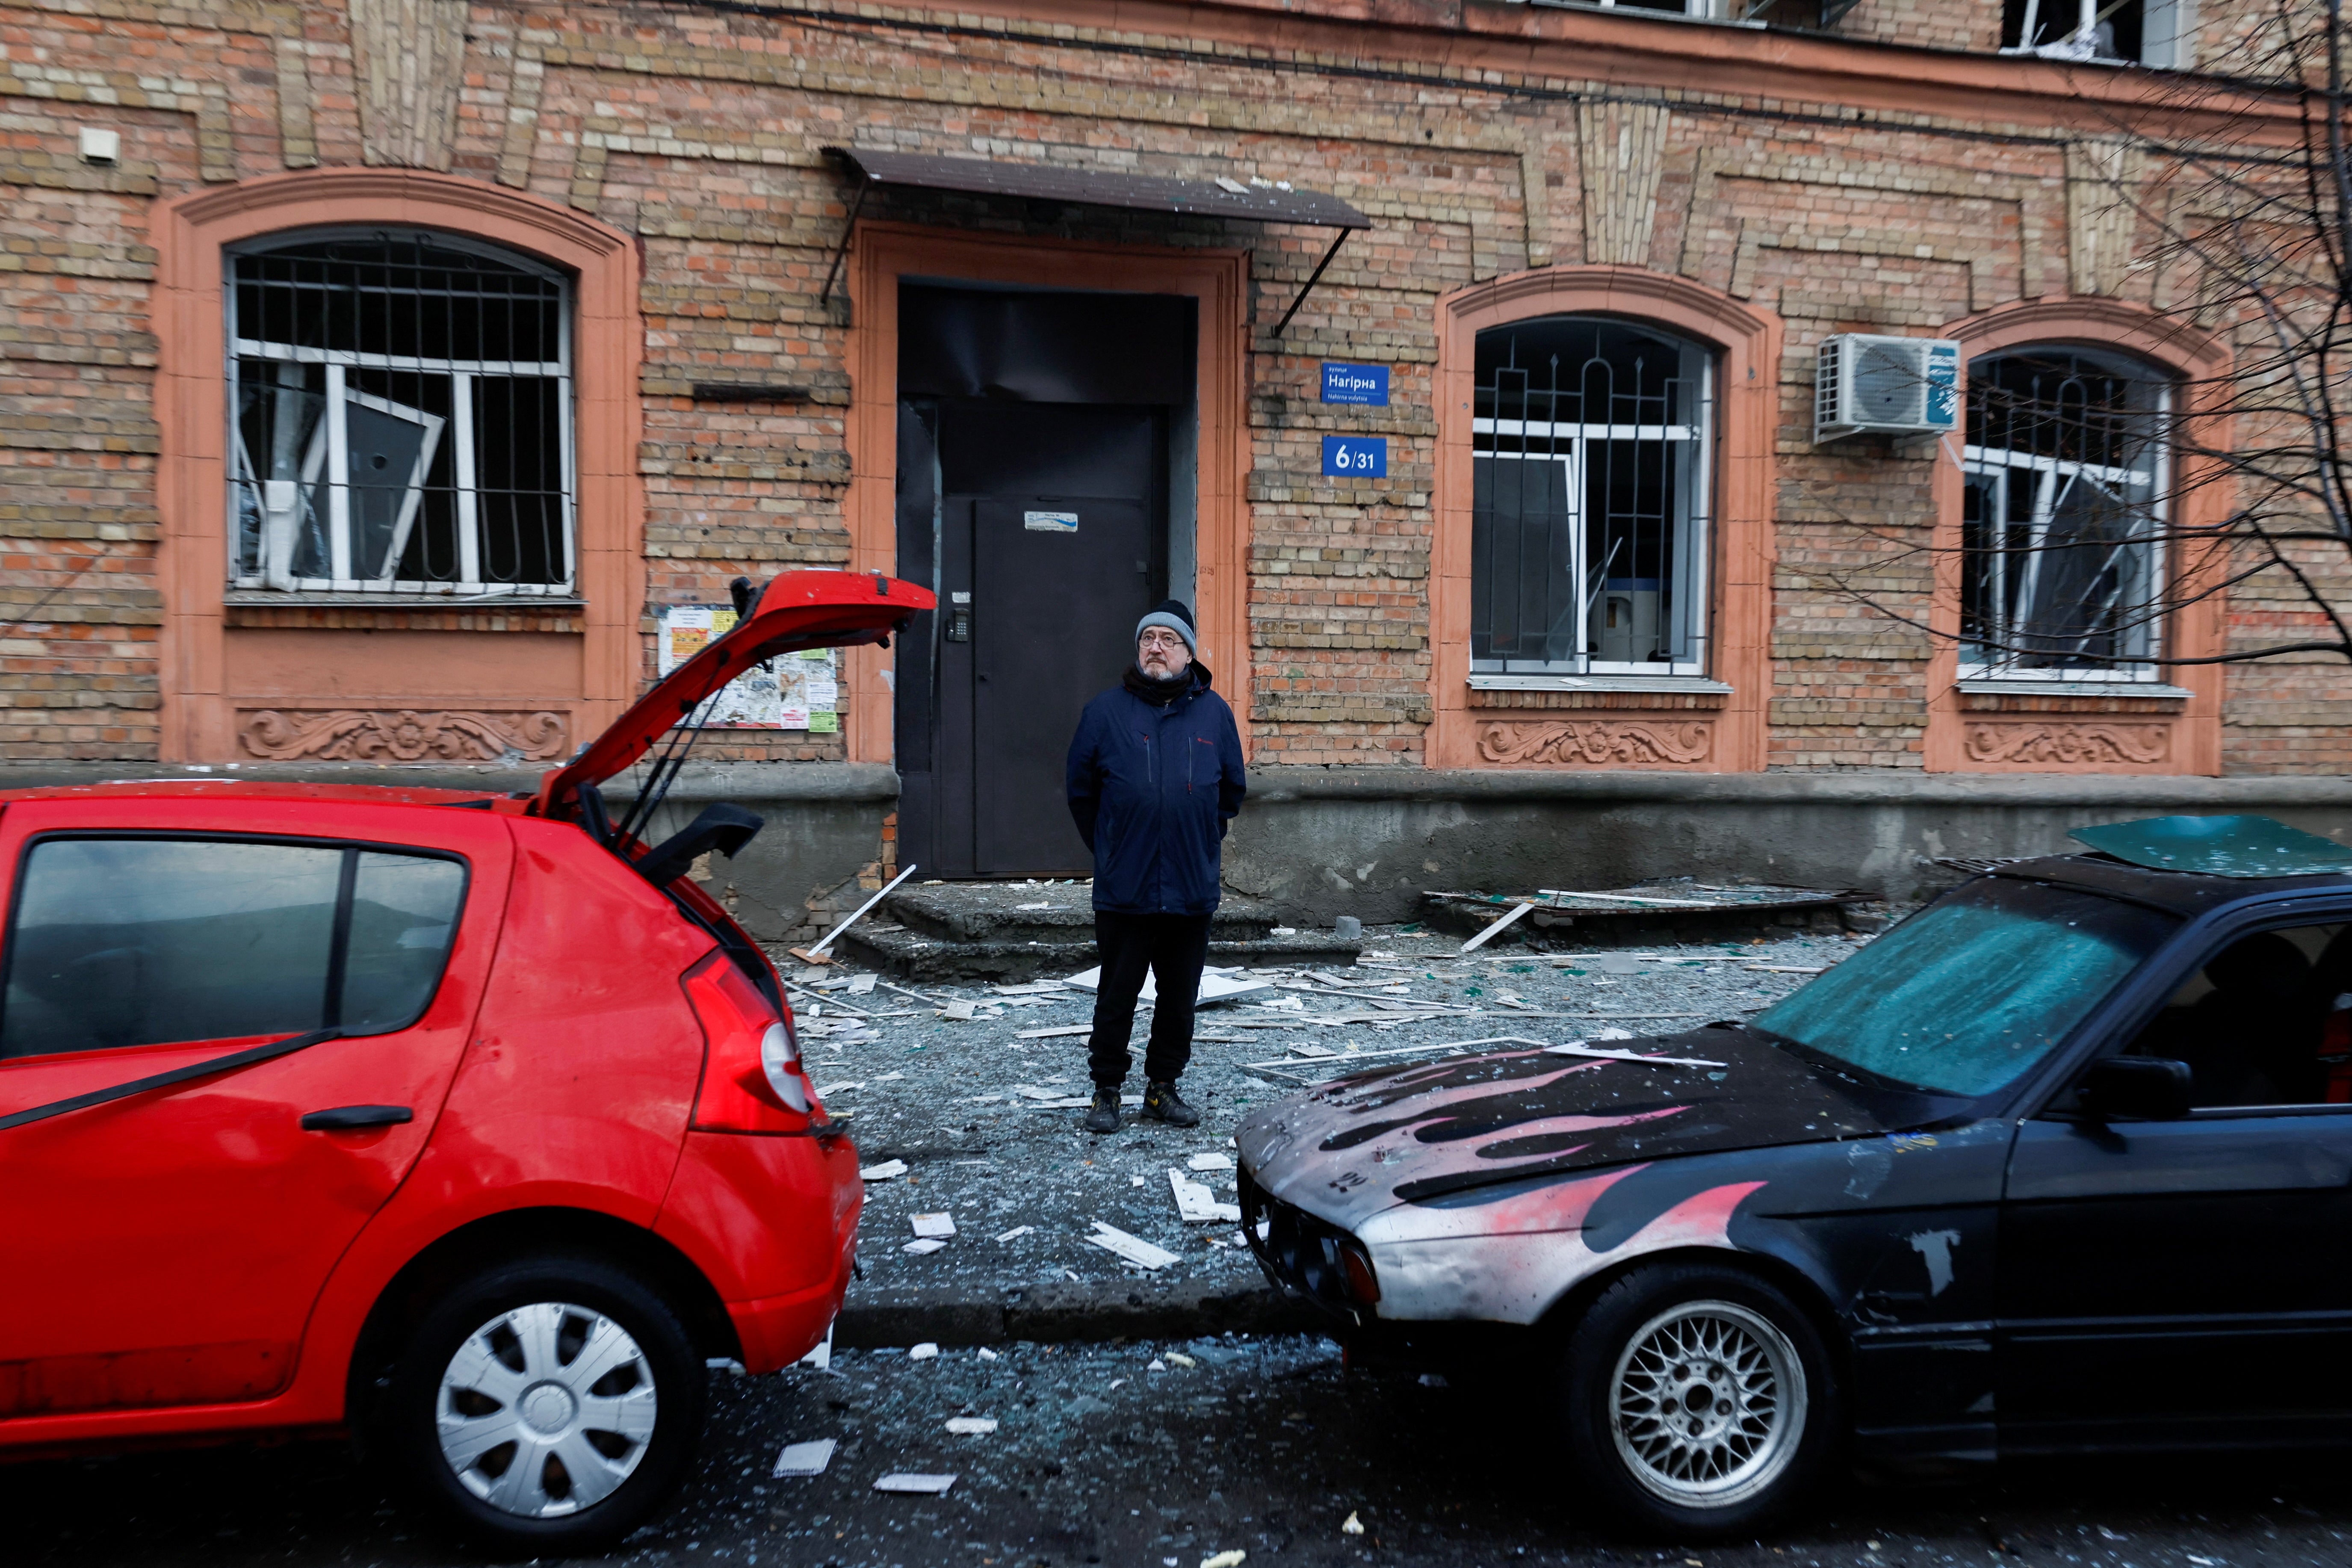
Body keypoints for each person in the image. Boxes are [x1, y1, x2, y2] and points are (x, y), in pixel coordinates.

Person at [1064, 599, 1246, 1134]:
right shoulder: (1104, 713)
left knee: (1178, 998)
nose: (1156, 648)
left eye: (1169, 639)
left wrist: (1198, 840)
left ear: (1189, 652)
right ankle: (1106, 1091)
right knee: (1116, 994)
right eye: (1148, 639)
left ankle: (1162, 1089)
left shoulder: (1214, 713)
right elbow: (1081, 793)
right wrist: (1114, 845)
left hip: (1190, 884)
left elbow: (1230, 791)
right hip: (1127, 884)